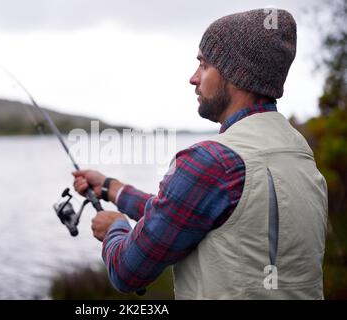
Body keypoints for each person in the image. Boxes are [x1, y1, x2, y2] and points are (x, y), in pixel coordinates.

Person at [72, 8, 328, 299]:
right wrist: (112, 189)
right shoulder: (299, 152)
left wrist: (116, 228)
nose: (193, 78)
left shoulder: (213, 162)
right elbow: (190, 214)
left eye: (203, 65)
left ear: (236, 74)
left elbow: (127, 271)